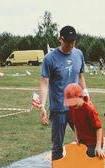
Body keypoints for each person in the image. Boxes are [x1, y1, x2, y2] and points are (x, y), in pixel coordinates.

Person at [38, 25, 89, 160]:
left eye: (73, 42)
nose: (71, 45)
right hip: (59, 109)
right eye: (68, 42)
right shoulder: (50, 58)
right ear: (60, 39)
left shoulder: (79, 54)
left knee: (85, 139)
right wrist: (42, 105)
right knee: (57, 146)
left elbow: (80, 77)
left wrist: (86, 96)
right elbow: (44, 82)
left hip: (76, 107)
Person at [64, 83, 105, 158]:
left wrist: (98, 146)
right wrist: (77, 137)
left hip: (93, 142)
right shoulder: (73, 108)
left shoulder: (89, 109)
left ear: (81, 97)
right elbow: (75, 124)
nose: (72, 105)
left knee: (91, 160)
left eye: (74, 101)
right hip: (83, 141)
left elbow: (98, 128)